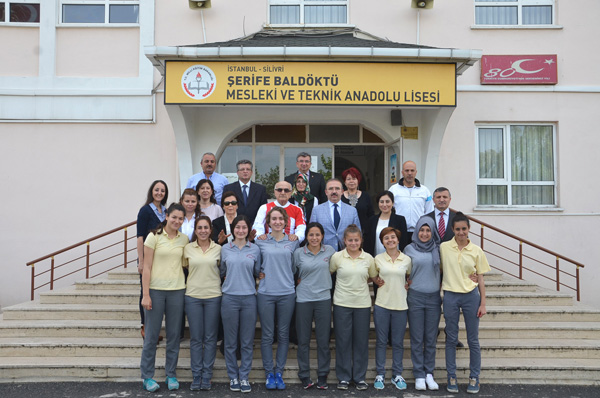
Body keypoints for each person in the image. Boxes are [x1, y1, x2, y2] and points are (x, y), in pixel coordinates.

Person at [140, 203, 188, 393]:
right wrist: (146, 295)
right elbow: (146, 267)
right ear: (166, 216)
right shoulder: (153, 237)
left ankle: (171, 374)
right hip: (156, 291)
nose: (177, 221)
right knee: (151, 336)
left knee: (174, 336)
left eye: (180, 218)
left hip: (177, 291)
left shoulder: (184, 239)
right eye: (174, 217)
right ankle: (147, 376)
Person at [441, 212, 490, 395]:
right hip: (451, 296)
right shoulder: (444, 247)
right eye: (458, 229)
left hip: (471, 296)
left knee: (473, 339)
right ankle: (451, 376)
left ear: (469, 229)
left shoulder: (477, 250)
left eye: (464, 229)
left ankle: (474, 377)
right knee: (451, 339)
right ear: (452, 230)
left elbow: (482, 279)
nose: (461, 232)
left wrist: (483, 303)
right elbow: (439, 270)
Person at [255, 207, 300, 390]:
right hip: (265, 293)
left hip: (287, 292)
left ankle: (279, 372)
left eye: (280, 219)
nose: (277, 222)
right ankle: (268, 373)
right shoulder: (260, 241)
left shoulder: (293, 242)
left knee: (283, 334)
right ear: (268, 221)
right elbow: (256, 265)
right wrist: (259, 274)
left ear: (286, 221)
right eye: (273, 219)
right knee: (267, 335)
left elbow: (296, 266)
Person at [329, 225, 377, 391]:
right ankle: (343, 377)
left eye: (356, 240)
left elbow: (372, 277)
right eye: (350, 240)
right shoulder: (337, 257)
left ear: (361, 240)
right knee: (343, 341)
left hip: (362, 304)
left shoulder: (368, 258)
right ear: (344, 241)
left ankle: (359, 377)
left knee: (361, 342)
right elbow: (329, 273)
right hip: (342, 303)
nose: (353, 243)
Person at [220, 215, 261, 393]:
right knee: (230, 342)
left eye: (244, 227)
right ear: (233, 229)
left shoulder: (255, 249)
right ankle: (233, 377)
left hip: (249, 298)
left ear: (248, 229)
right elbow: (222, 270)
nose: (241, 231)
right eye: (237, 227)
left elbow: (257, 271)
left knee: (246, 341)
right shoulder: (225, 249)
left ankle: (244, 376)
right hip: (229, 298)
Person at [293, 222, 335, 390]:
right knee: (303, 340)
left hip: (323, 298)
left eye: (317, 234)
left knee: (323, 339)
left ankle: (323, 374)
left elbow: (334, 269)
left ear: (322, 236)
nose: (314, 238)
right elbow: (292, 272)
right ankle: (304, 374)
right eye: (311, 235)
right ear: (306, 236)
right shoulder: (298, 253)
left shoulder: (330, 251)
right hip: (303, 298)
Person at [183, 216, 222, 391]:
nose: (203, 231)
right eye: (199, 227)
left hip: (213, 296)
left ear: (210, 230)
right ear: (195, 230)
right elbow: (185, 267)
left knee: (210, 338)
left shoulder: (219, 249)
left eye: (206, 227)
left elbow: (222, 270)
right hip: (193, 296)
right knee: (196, 338)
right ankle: (196, 375)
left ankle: (207, 376)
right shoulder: (188, 249)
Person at [404, 217, 442, 391]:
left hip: (434, 298)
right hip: (416, 298)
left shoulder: (439, 249)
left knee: (430, 338)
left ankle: (429, 373)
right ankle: (419, 373)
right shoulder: (409, 249)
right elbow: (402, 270)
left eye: (428, 230)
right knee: (417, 338)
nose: (425, 234)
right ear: (416, 231)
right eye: (422, 230)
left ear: (433, 231)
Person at [372, 227, 411, 391]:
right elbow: (373, 276)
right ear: (382, 242)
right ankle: (380, 373)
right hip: (382, 304)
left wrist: (408, 284)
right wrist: (376, 281)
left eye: (393, 237)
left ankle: (397, 374)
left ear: (398, 239)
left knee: (397, 342)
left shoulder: (407, 259)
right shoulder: (377, 259)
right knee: (381, 341)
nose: (390, 240)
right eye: (386, 238)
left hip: (401, 305)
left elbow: (409, 277)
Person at [136, 180, 168, 342]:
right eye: (157, 190)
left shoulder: (166, 211)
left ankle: (153, 328)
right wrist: (141, 261)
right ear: (152, 191)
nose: (159, 193)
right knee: (146, 290)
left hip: (161, 258)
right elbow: (140, 237)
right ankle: (144, 327)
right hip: (147, 257)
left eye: (162, 190)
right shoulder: (145, 211)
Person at [388, 161, 433, 242]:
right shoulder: (393, 190)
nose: (409, 173)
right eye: (407, 170)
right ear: (402, 172)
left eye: (412, 171)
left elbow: (429, 212)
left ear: (416, 172)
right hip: (398, 231)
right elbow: (388, 211)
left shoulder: (425, 190)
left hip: (419, 232)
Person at [310, 178, 361, 250]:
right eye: (330, 189)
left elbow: (358, 233)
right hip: (324, 252)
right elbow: (312, 233)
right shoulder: (316, 210)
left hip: (346, 252)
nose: (334, 191)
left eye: (337, 188)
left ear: (342, 191)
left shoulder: (352, 211)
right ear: (326, 192)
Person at [222, 159, 269, 227]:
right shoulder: (229, 188)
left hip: (255, 227)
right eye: (242, 169)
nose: (245, 171)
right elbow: (225, 207)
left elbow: (263, 210)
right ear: (237, 172)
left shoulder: (260, 189)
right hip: (234, 227)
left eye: (248, 169)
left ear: (251, 172)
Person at [364, 190, 409, 257]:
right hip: (375, 258)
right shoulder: (372, 220)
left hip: (394, 260)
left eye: (387, 201)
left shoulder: (400, 220)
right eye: (381, 202)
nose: (384, 205)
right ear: (378, 203)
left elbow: (403, 241)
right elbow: (367, 242)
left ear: (393, 203)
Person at [340, 167, 374, 233]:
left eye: (354, 179)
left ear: (358, 181)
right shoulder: (340, 197)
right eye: (348, 179)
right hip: (344, 233)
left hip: (364, 233)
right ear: (345, 182)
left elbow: (371, 215)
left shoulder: (366, 196)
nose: (351, 181)